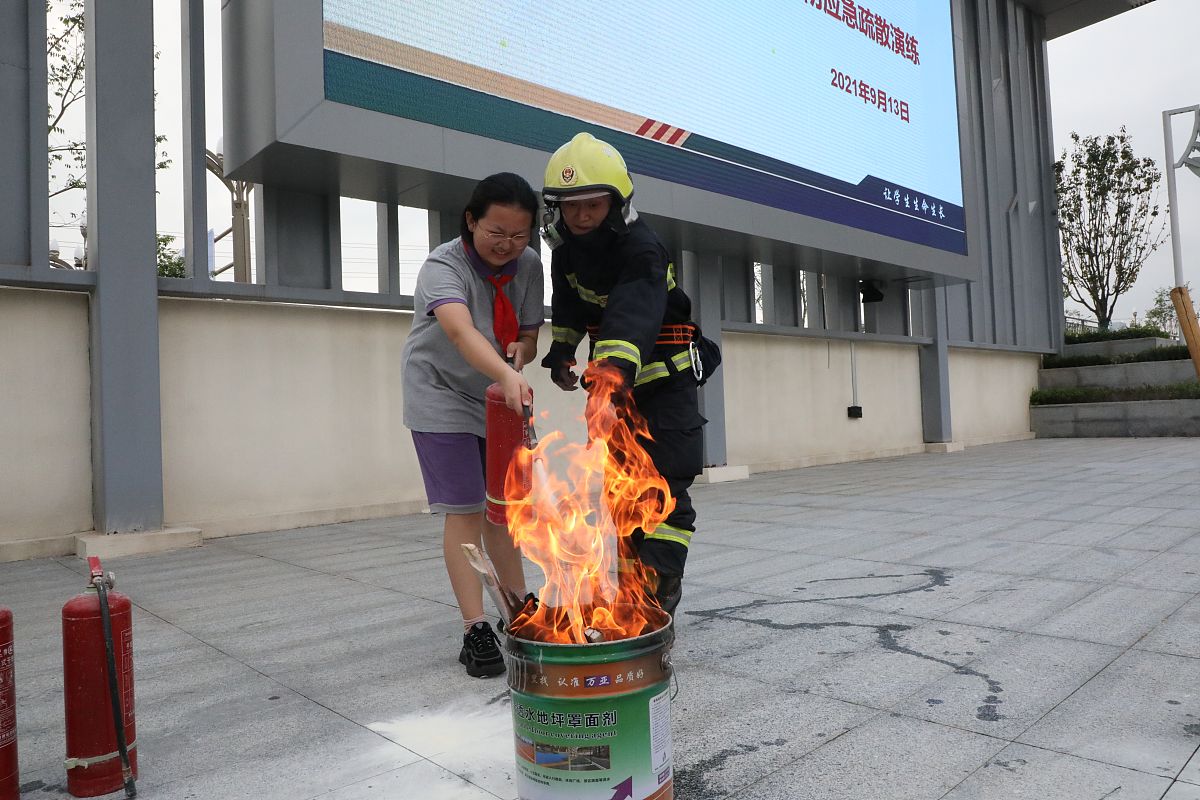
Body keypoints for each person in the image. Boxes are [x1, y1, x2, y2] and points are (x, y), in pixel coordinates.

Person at [539, 132, 716, 618]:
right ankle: (631, 593)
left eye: (592, 205)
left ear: (616, 204)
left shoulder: (642, 248)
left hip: (664, 388)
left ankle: (660, 586)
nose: (580, 216)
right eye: (570, 206)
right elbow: (570, 305)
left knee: (666, 490)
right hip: (614, 390)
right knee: (621, 491)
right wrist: (562, 350)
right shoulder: (567, 252)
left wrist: (609, 379)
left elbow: (630, 317)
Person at [401, 172, 543, 677]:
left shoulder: (530, 265)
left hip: (497, 394)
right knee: (465, 509)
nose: (507, 245)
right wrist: (506, 373)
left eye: (518, 235)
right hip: (440, 392)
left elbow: (529, 334)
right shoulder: (443, 266)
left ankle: (517, 607)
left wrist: (521, 352)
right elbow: (461, 333)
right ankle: (475, 628)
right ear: (471, 221)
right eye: (495, 232)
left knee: (503, 510)